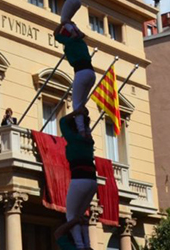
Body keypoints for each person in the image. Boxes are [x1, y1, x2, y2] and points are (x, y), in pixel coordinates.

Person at [60, 107, 97, 250]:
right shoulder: (89, 140)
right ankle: (87, 245)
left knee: (71, 215)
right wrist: (81, 117)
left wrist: (77, 112)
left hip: (79, 178)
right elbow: (84, 129)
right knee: (80, 216)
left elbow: (62, 121)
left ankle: (82, 246)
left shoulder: (74, 138)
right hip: (92, 181)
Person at [54, 24, 95, 136]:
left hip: (81, 72)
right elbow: (80, 34)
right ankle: (86, 129)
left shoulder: (69, 43)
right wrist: (72, 27)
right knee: (81, 105)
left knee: (76, 105)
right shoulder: (82, 43)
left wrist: (63, 23)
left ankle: (82, 131)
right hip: (91, 73)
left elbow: (56, 35)